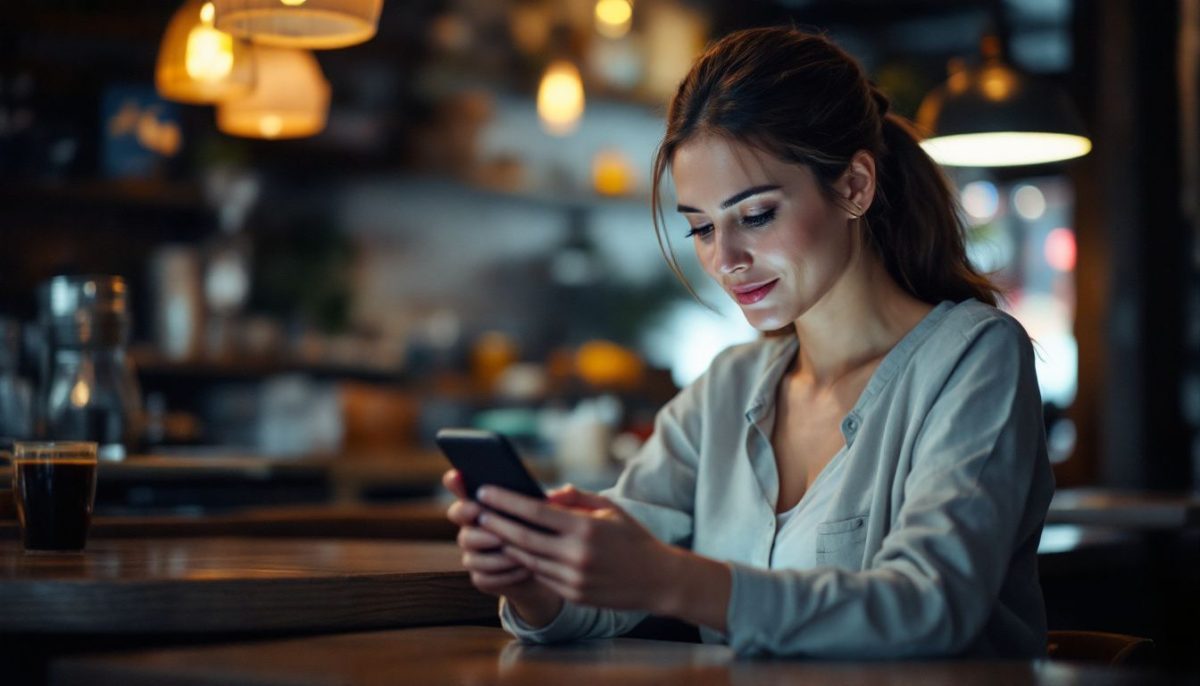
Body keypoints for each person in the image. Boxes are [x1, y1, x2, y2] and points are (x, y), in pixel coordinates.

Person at [443, 26, 1054, 658]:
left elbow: (931, 606)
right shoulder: (725, 391)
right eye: (702, 229)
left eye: (756, 216)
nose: (726, 259)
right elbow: (604, 597)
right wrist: (538, 580)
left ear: (854, 187)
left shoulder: (973, 359)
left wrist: (672, 579)